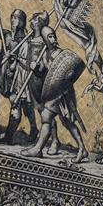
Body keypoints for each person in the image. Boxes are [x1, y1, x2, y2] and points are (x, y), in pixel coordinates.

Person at [21, 26, 88, 162]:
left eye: (53, 36)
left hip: (63, 93)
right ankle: (82, 149)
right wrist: (36, 68)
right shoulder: (44, 54)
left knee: (51, 118)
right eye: (49, 37)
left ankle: (38, 149)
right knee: (66, 122)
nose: (52, 39)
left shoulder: (61, 54)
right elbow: (44, 73)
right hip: (53, 93)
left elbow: (69, 72)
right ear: (44, 39)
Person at [0, 5, 38, 143]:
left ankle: (11, 135)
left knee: (19, 103)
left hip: (17, 76)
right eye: (12, 17)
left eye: (17, 18)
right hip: (2, 74)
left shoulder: (26, 40)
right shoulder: (7, 34)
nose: (13, 20)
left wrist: (14, 58)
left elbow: (29, 59)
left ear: (22, 21)